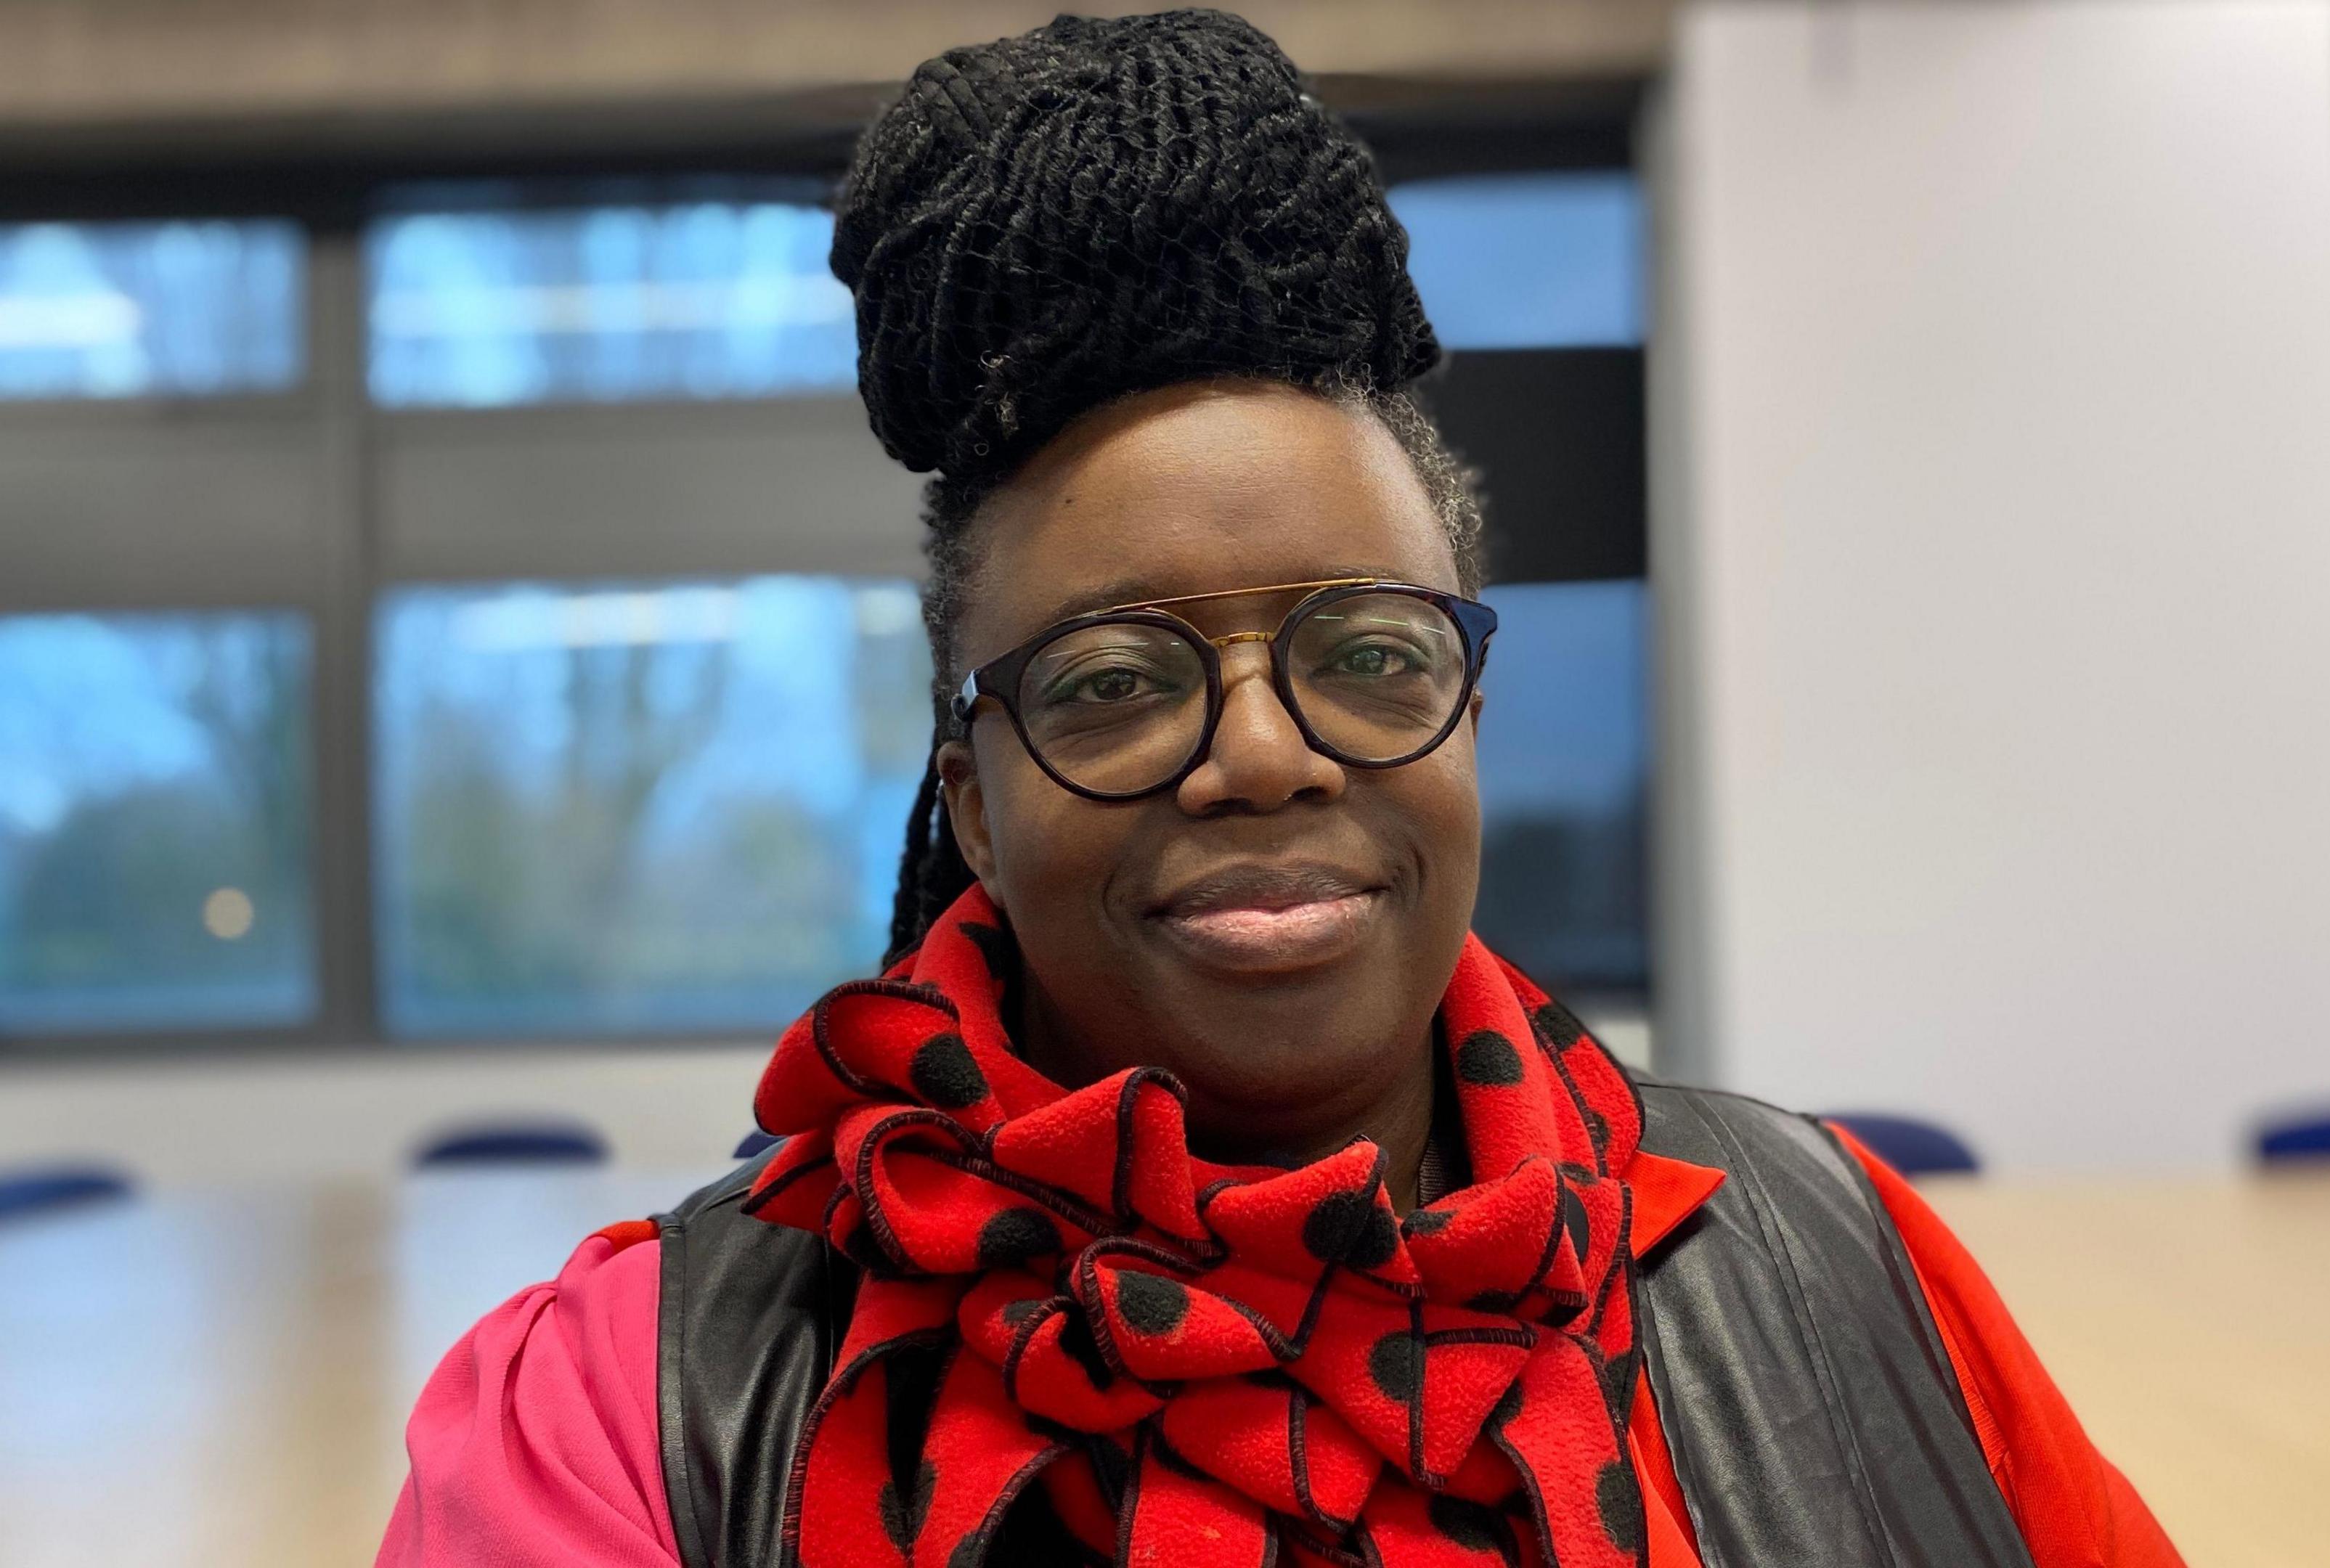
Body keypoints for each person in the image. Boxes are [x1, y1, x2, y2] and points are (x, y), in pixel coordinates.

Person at [376, 12, 2183, 1567]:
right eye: (1110, 682)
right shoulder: (633, 1400)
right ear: (975, 796)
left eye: (1370, 654)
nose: (1263, 752)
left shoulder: (1842, 1258)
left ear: (1468, 708)